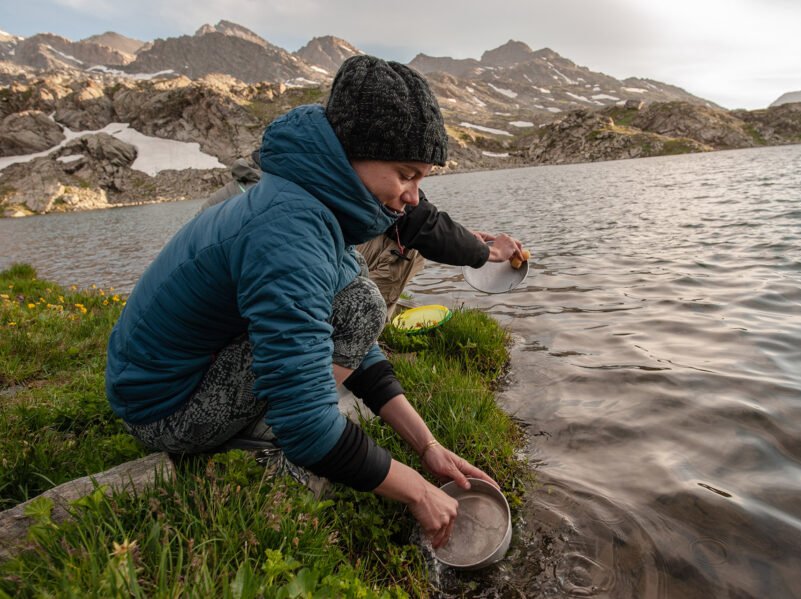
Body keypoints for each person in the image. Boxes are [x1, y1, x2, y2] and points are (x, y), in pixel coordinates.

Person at [106, 55, 494, 549]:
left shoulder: (308, 201)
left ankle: (290, 416)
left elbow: (354, 346)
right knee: (361, 309)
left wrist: (428, 446)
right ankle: (267, 440)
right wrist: (418, 492)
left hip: (171, 381)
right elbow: (307, 423)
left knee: (357, 305)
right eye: (405, 174)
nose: (414, 196)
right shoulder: (289, 231)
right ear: (355, 153)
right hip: (164, 411)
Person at [203, 156, 526, 318]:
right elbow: (416, 224)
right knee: (407, 248)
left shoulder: (290, 172)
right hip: (241, 334)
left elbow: (410, 217)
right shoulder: (294, 197)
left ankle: (356, 336)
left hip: (229, 316)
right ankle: (361, 333)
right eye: (405, 175)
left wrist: (464, 238)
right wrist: (486, 254)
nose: (412, 195)